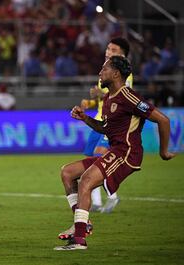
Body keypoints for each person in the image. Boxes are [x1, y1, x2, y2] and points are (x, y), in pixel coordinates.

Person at [54, 56, 175, 251]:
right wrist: (85, 118)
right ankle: (83, 223)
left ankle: (79, 239)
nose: (100, 73)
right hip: (116, 150)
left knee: (85, 180)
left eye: (104, 69)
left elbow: (164, 120)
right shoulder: (109, 97)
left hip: (127, 153)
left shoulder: (129, 96)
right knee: (67, 172)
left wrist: (163, 152)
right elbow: (105, 128)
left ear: (116, 73)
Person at [80, 37, 132, 215]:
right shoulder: (105, 70)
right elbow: (103, 99)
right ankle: (95, 202)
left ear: (122, 54)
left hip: (111, 123)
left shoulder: (124, 73)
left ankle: (113, 196)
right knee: (90, 163)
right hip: (98, 120)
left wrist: (98, 92)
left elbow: (121, 95)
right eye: (108, 48)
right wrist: (89, 101)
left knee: (99, 158)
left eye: (113, 50)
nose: (108, 51)